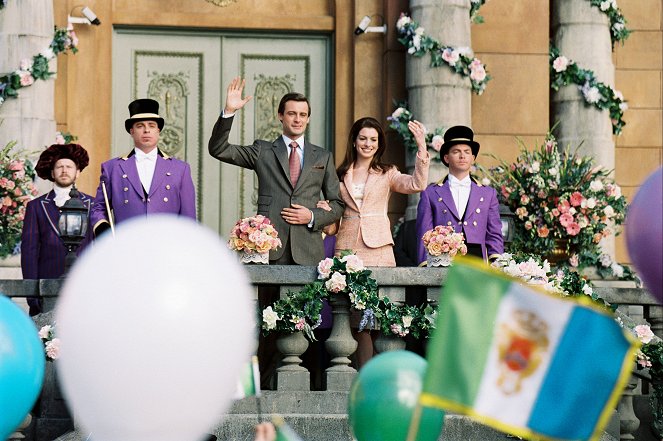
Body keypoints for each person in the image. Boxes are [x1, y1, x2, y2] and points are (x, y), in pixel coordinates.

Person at [318, 116, 429, 367]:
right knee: (356, 320)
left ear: (379, 145)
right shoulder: (338, 175)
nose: (368, 144)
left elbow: (417, 184)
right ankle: (363, 374)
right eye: (363, 138)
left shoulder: (387, 172)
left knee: (381, 315)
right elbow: (334, 224)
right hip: (347, 251)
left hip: (379, 249)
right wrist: (324, 213)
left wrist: (421, 145)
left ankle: (383, 374)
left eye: (373, 140)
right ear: (354, 142)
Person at [208, 77, 344, 265]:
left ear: (308, 118)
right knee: (270, 296)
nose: (298, 119)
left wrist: (312, 216)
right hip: (269, 249)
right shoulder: (262, 151)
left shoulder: (323, 156)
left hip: (309, 250)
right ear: (280, 115)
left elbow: (337, 204)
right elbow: (219, 149)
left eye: (303, 115)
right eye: (292, 113)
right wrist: (229, 112)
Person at [90, 98, 196, 236]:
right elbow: (99, 208)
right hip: (127, 246)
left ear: (158, 130)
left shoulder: (180, 169)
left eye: (151, 125)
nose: (146, 130)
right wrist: (103, 230)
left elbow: (188, 217)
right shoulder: (112, 168)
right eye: (140, 126)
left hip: (167, 247)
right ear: (131, 131)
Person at [21, 143, 93, 315]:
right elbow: (29, 253)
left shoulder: (94, 204)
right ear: (52, 172)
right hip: (47, 289)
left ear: (78, 171)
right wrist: (33, 295)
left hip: (83, 287)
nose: (64, 170)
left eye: (69, 166)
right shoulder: (36, 207)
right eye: (59, 167)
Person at [416, 125, 503, 265]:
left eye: (467, 152)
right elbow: (424, 234)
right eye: (456, 151)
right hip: (442, 262)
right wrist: (424, 266)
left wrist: (496, 262)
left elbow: (494, 234)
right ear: (446, 157)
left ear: (473, 158)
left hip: (477, 263)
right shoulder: (430, 193)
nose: (462, 156)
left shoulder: (488, 194)